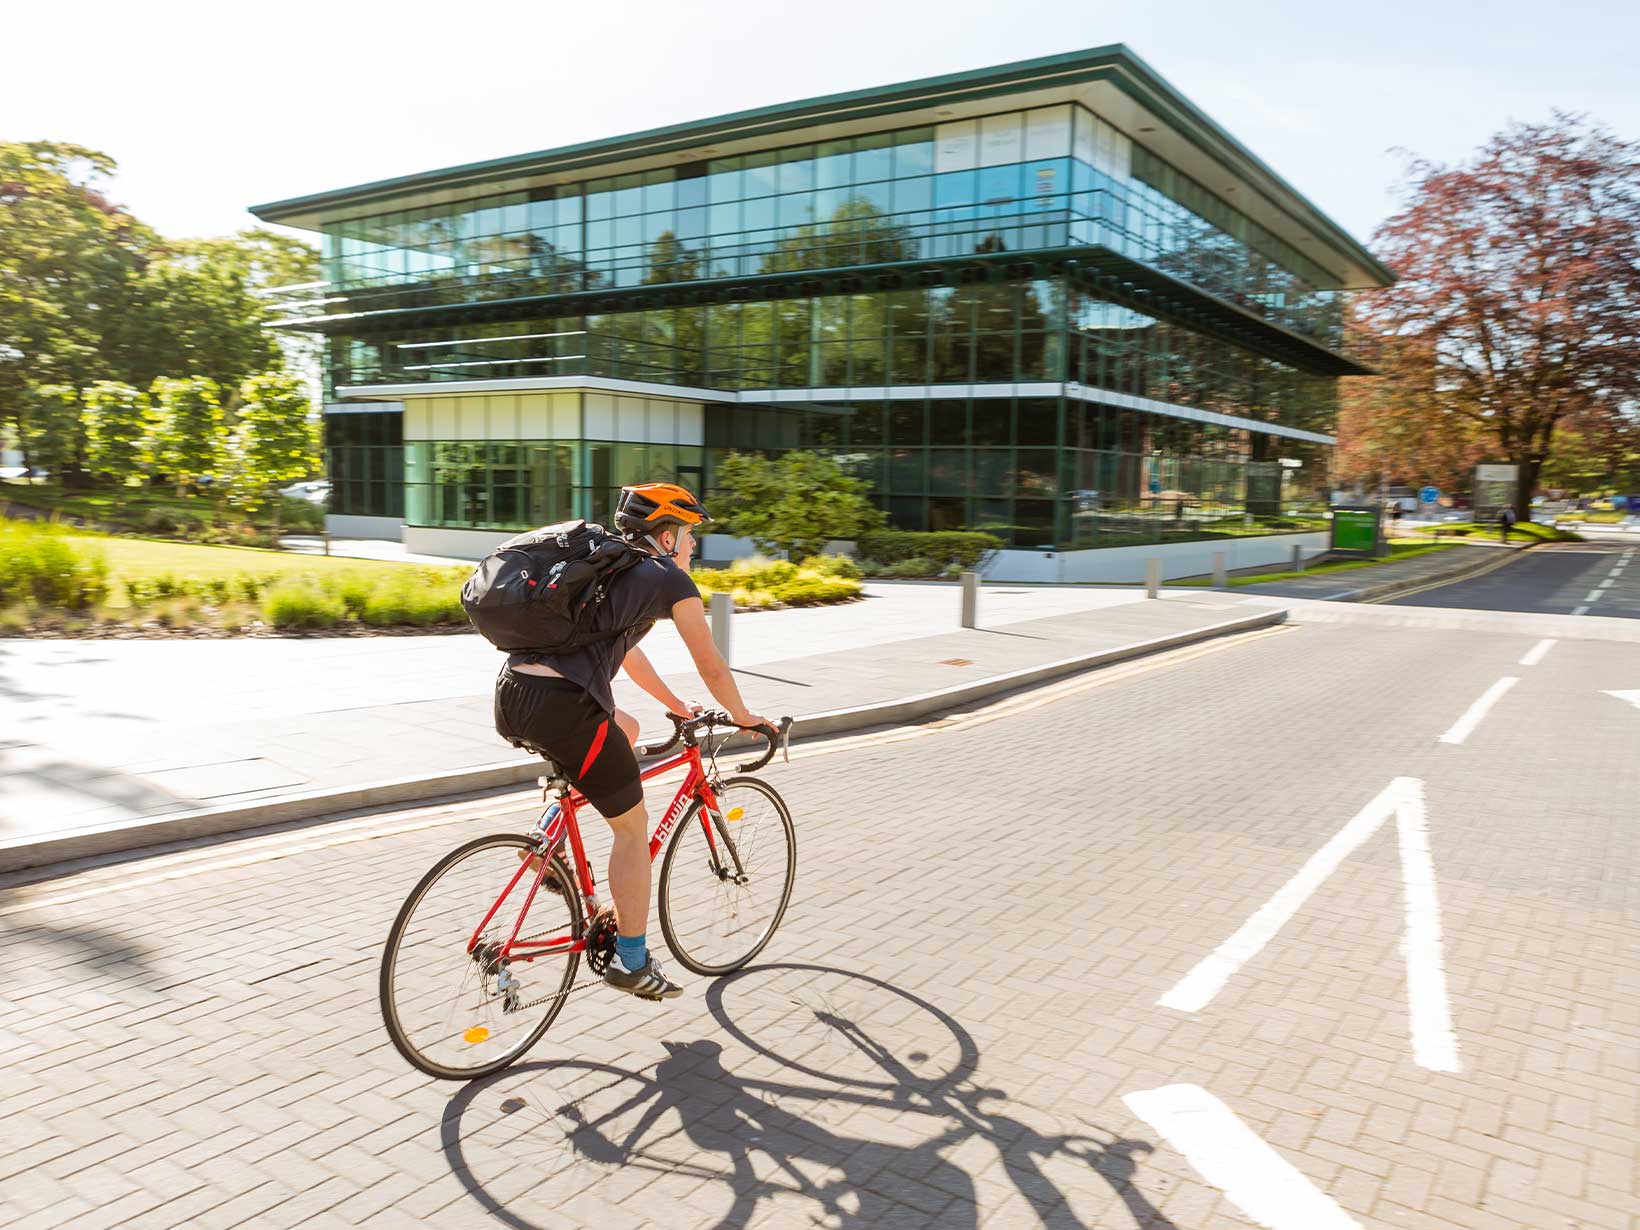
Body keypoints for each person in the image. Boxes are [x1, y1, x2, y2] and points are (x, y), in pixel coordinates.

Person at [492, 483, 771, 1001]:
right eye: (688, 535)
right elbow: (710, 663)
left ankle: (549, 831)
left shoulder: (607, 567)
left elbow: (628, 655)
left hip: (514, 694)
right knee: (631, 829)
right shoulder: (667, 578)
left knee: (628, 729)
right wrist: (744, 718)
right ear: (666, 538)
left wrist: (676, 704)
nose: (692, 545)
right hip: (564, 706)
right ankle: (632, 961)